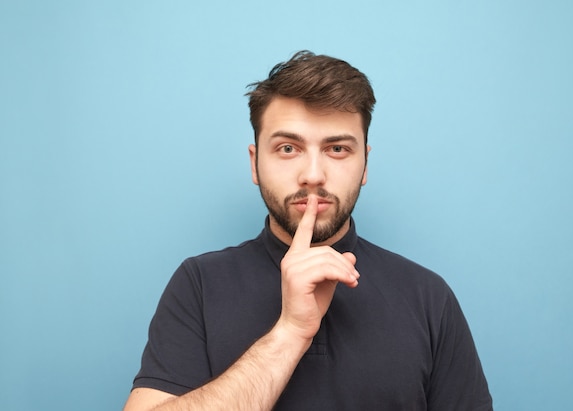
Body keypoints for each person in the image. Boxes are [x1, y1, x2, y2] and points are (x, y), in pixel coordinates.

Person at [123, 50, 492, 411]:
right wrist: (290, 333)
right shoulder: (199, 284)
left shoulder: (429, 297)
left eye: (337, 149)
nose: (313, 175)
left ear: (364, 164)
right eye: (287, 148)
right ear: (255, 163)